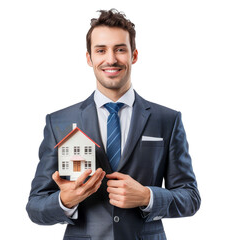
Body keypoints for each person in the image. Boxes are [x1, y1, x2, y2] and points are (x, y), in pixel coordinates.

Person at [26, 9, 201, 240]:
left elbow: (190, 198)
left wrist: (148, 196)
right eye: (101, 50)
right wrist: (64, 201)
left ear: (134, 55)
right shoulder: (58, 122)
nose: (111, 59)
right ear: (89, 58)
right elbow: (35, 207)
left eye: (120, 49)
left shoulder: (167, 120)